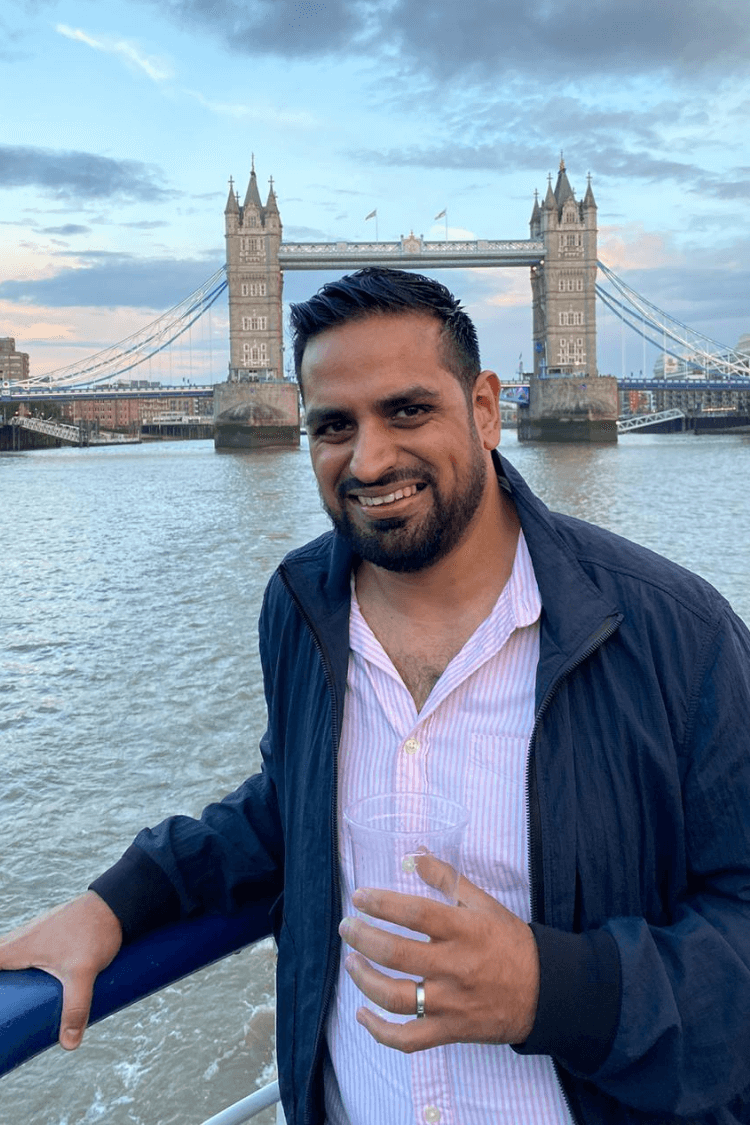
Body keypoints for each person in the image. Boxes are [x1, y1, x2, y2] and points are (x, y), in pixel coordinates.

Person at [2, 267, 750, 1125]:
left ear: (485, 408)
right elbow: (288, 806)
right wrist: (113, 904)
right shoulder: (297, 605)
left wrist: (554, 990)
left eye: (407, 410)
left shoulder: (675, 633)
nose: (370, 459)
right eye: (333, 425)